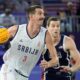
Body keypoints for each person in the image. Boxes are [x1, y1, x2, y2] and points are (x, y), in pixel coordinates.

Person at [0, 5, 58, 80]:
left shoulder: (46, 35)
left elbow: (55, 59)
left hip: (25, 76)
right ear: (31, 16)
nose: (43, 16)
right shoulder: (16, 30)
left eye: (43, 14)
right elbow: (2, 38)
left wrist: (49, 63)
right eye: (40, 14)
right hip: (9, 70)